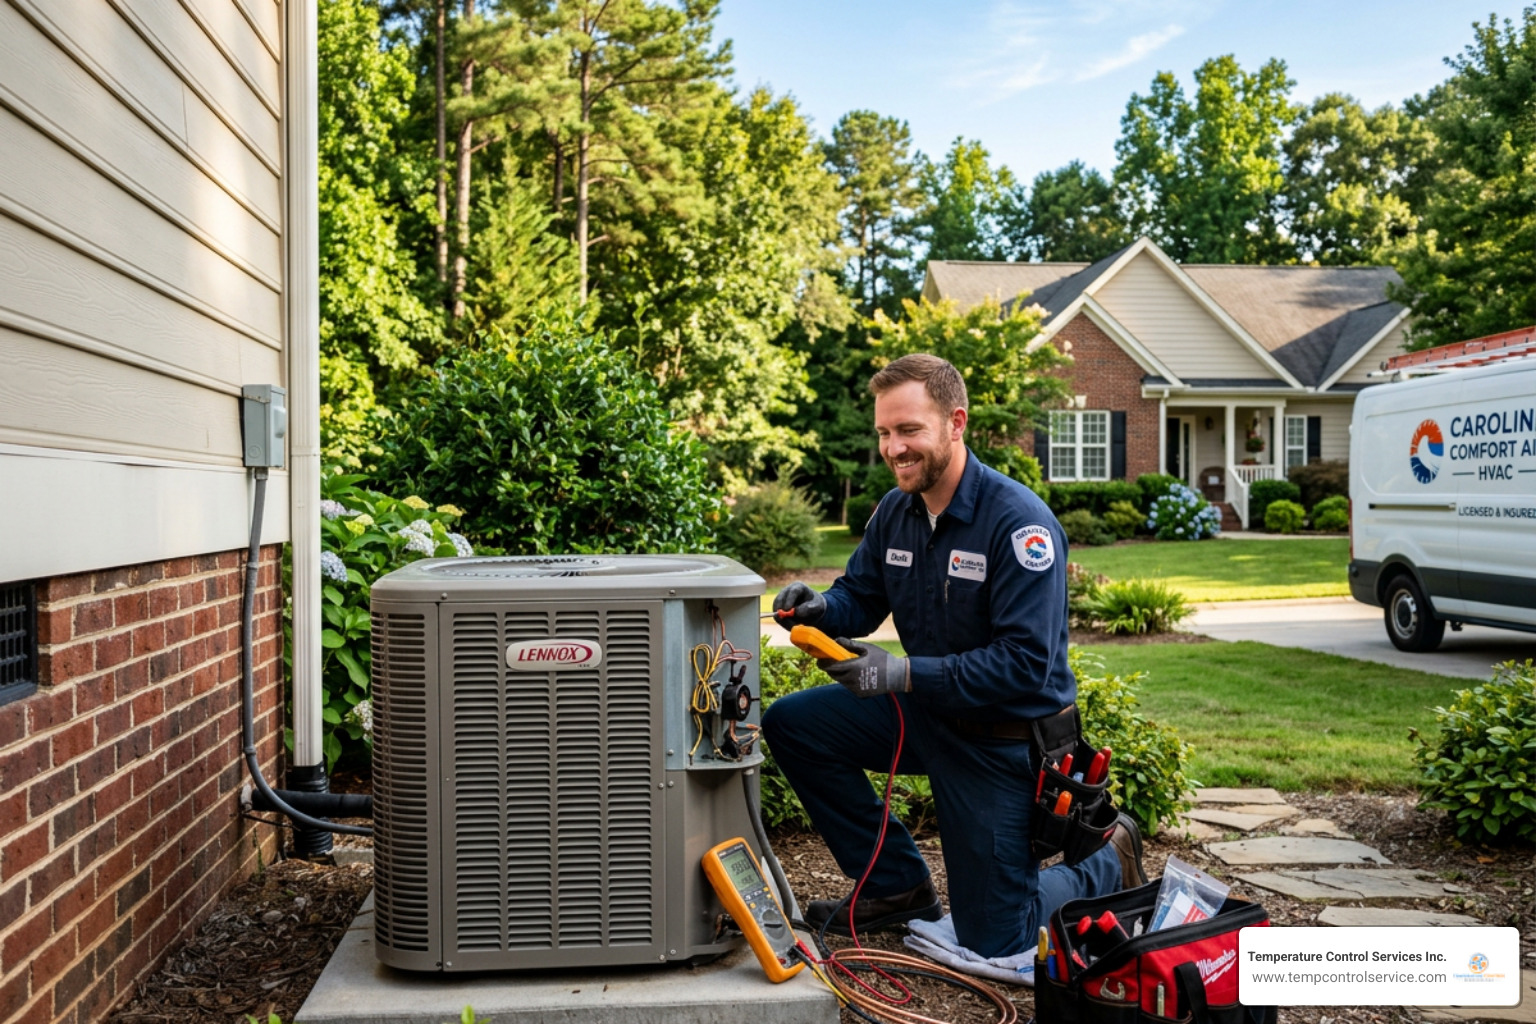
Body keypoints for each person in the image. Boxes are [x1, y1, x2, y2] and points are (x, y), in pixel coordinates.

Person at [761, 353, 1145, 960]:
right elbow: (861, 597)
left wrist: (900, 673)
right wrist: (821, 608)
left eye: (909, 430)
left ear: (955, 422)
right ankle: (896, 888)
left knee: (998, 937)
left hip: (1003, 741)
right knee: (794, 724)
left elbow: (1025, 664)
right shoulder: (897, 511)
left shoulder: (1019, 524)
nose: (893, 448)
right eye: (885, 432)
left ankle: (1109, 858)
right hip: (928, 714)